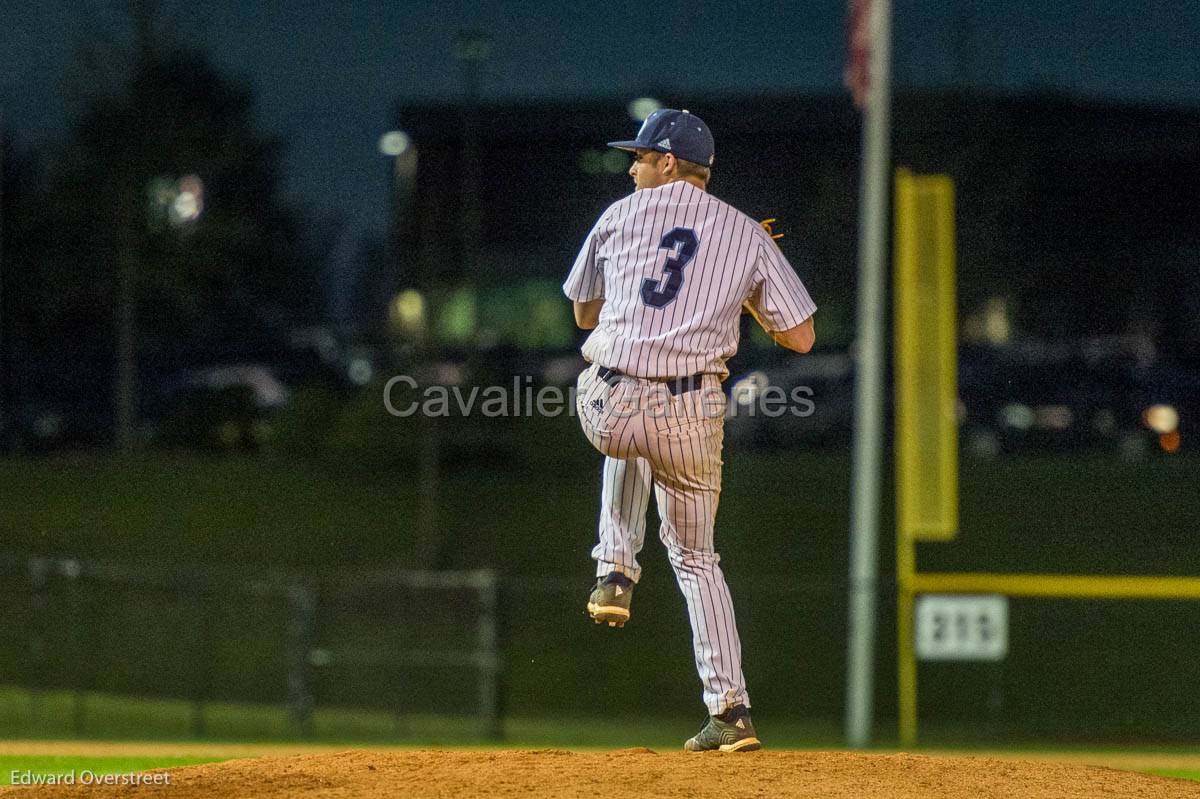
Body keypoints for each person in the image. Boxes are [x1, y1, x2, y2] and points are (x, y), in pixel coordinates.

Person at [563, 108, 816, 752]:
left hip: (612, 402)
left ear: (669, 161)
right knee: (698, 559)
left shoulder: (618, 215)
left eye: (641, 157)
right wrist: (747, 290)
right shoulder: (745, 233)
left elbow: (584, 314)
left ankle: (615, 569)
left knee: (626, 429)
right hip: (693, 412)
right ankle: (732, 713)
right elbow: (802, 337)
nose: (632, 166)